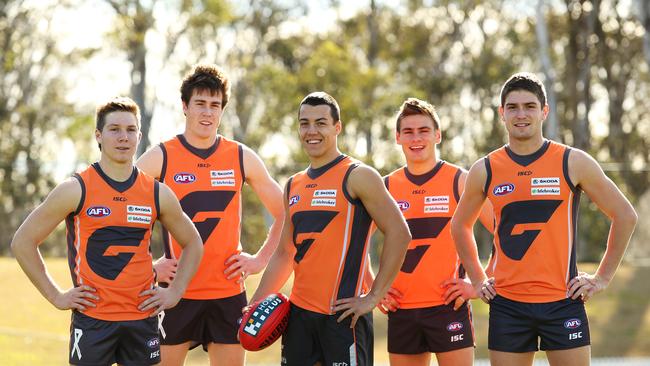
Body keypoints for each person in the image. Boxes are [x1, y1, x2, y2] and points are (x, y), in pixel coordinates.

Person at [451, 72, 638, 366]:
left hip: (563, 302)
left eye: (529, 106)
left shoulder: (572, 161)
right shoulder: (485, 168)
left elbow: (625, 215)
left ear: (544, 111)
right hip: (507, 305)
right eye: (512, 107)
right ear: (502, 113)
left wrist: (601, 278)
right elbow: (459, 225)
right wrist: (477, 277)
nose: (521, 114)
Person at [11, 96, 203, 366]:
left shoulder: (157, 193)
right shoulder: (76, 189)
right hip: (92, 321)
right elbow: (23, 242)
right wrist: (56, 296)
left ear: (139, 135)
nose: (123, 137)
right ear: (99, 135)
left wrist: (175, 292)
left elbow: (193, 243)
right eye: (114, 129)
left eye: (130, 130)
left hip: (142, 318)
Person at [247, 91, 411, 366]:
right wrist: (254, 304)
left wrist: (373, 297)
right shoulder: (293, 184)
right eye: (304, 123)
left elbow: (399, 233)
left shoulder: (358, 176)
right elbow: (284, 254)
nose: (312, 131)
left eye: (321, 123)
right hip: (298, 317)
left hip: (343, 317)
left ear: (337, 127)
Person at [136, 63, 284, 366]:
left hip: (227, 295)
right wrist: (150, 267)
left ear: (222, 110)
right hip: (176, 294)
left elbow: (288, 213)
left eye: (215, 105)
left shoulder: (241, 156)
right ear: (185, 107)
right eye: (200, 104)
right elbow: (122, 211)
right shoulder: (161, 157)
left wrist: (260, 259)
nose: (207, 112)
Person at [376, 98, 493, 366]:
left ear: (437, 135)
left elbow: (504, 232)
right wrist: (374, 290)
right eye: (408, 131)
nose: (416, 138)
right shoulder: (386, 187)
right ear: (397, 137)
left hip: (448, 307)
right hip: (402, 310)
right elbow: (353, 243)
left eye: (424, 130)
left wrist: (479, 284)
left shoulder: (460, 181)